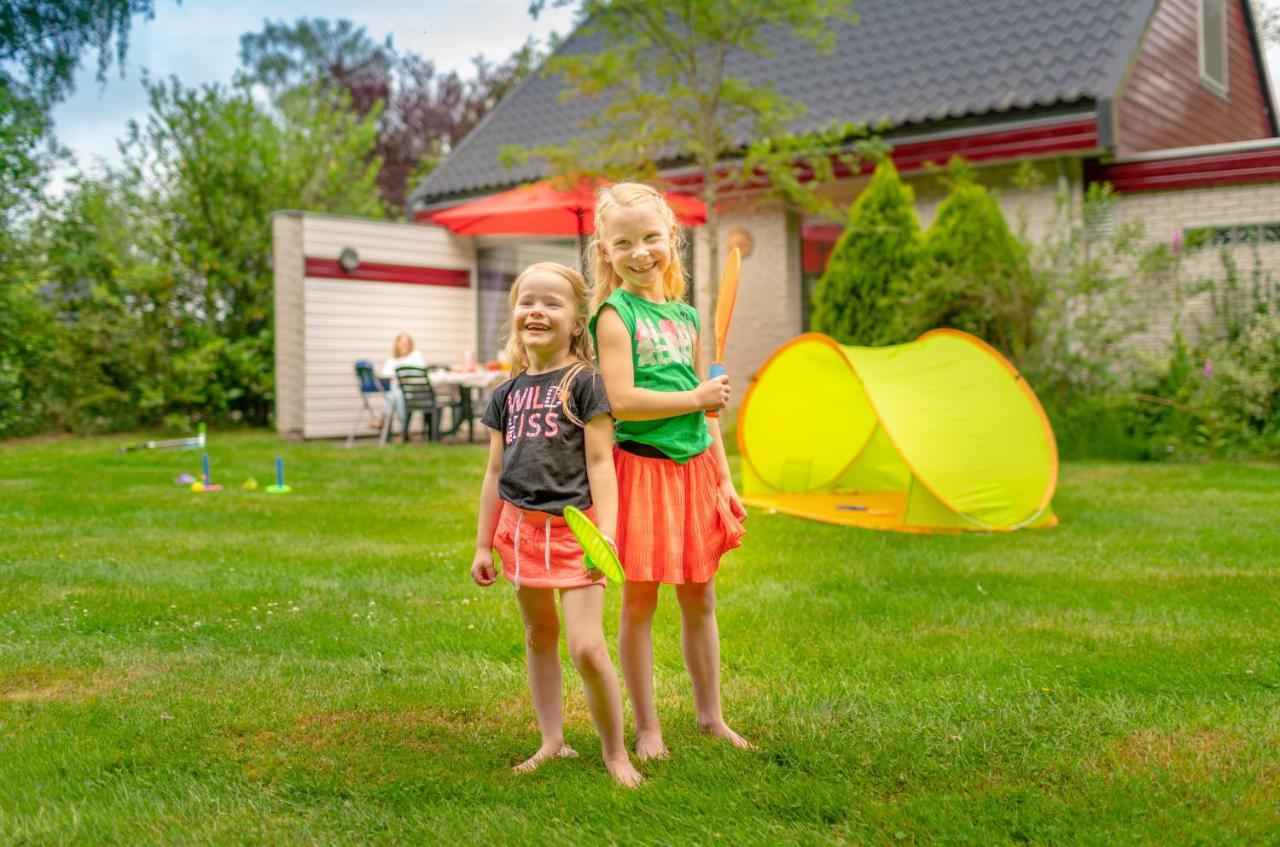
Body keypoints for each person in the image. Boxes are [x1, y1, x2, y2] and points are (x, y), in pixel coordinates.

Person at [588, 182, 749, 761]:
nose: (640, 251)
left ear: (670, 239)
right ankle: (649, 728)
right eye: (623, 242)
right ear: (605, 251)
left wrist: (724, 478)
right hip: (644, 471)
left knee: (700, 598)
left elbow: (704, 414)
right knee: (640, 603)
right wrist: (697, 396)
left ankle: (711, 718)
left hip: (694, 470)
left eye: (650, 237)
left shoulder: (683, 317)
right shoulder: (614, 314)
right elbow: (623, 400)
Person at [471, 262, 643, 787]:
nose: (536, 311)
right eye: (527, 302)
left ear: (576, 323)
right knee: (538, 634)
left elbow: (599, 464)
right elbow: (495, 472)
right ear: (515, 315)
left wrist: (606, 534)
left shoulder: (586, 383)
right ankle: (552, 741)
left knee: (587, 646)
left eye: (552, 303)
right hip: (520, 532)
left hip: (577, 532)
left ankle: (616, 754)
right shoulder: (507, 392)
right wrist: (483, 544)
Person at [372, 332, 426, 430]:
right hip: (397, 391)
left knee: (394, 394)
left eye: (407, 342)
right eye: (402, 342)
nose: (404, 345)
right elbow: (385, 377)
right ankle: (403, 428)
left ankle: (383, 418)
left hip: (413, 392)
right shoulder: (391, 360)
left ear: (411, 344)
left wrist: (400, 379)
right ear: (397, 344)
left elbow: (420, 373)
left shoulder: (415, 355)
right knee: (396, 394)